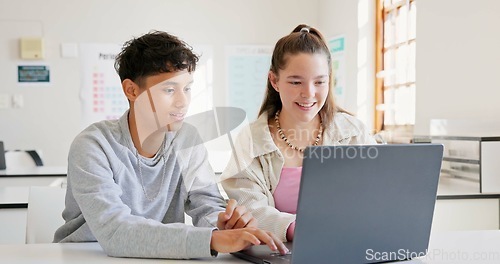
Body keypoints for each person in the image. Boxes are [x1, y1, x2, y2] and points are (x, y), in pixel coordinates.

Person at [53, 30, 288, 259]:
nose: (182, 101)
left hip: (157, 257)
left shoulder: (187, 139)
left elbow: (206, 203)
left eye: (186, 88)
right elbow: (115, 231)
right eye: (169, 90)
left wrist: (222, 223)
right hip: (85, 256)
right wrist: (212, 240)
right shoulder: (93, 146)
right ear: (132, 90)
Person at [221, 24, 377, 242]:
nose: (309, 94)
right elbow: (250, 210)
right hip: (283, 249)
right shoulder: (250, 141)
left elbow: (377, 192)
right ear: (274, 81)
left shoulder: (353, 133)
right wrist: (298, 229)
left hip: (349, 243)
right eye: (296, 82)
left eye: (320, 82)